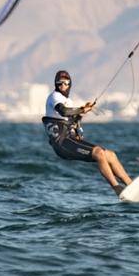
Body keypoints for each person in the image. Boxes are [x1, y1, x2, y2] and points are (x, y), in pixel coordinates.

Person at [42, 70, 132, 198]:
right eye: (59, 82)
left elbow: (72, 119)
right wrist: (82, 109)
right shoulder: (55, 97)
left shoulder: (69, 101)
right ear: (56, 84)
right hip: (62, 143)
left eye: (66, 83)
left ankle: (130, 184)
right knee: (98, 153)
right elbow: (64, 112)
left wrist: (81, 114)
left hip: (70, 139)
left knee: (110, 155)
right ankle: (117, 188)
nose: (63, 85)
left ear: (70, 84)